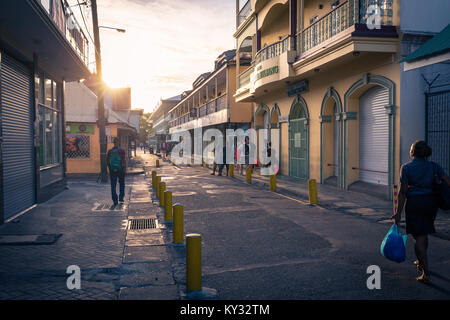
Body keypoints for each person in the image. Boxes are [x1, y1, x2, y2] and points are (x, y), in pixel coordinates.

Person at [392, 140, 450, 283]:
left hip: (414, 204)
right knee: (423, 233)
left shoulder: (406, 168)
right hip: (431, 204)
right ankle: (420, 261)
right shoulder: (434, 166)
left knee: (418, 236)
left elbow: (403, 192)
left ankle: (426, 273)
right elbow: (448, 182)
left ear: (412, 152)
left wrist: (398, 212)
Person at [107, 137, 127, 206]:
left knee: (113, 185)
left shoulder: (110, 151)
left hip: (112, 170)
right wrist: (124, 169)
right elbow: (123, 161)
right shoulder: (122, 151)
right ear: (118, 142)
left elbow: (108, 162)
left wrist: (110, 169)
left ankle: (115, 200)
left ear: (113, 143)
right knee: (122, 184)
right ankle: (121, 198)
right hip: (120, 169)